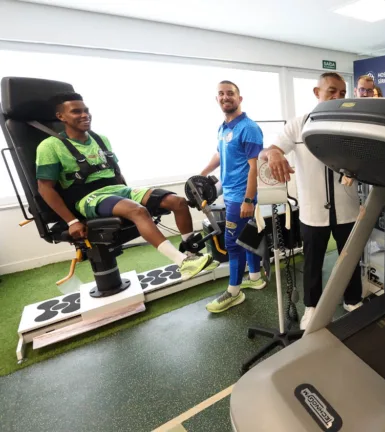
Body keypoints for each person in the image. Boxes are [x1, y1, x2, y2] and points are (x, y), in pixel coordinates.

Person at [35, 93, 214, 280]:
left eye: (86, 110)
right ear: (61, 117)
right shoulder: (50, 146)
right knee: (138, 211)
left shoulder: (100, 139)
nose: (84, 115)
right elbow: (45, 188)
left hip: (118, 190)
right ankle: (183, 262)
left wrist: (127, 195)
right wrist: (72, 221)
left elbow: (116, 172)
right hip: (88, 198)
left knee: (177, 202)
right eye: (76, 112)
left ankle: (192, 254)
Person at [260, 72, 364, 330]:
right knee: (312, 262)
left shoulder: (352, 124)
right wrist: (273, 154)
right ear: (317, 93)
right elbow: (271, 148)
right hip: (312, 211)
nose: (337, 96)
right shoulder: (298, 125)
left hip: (347, 209)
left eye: (342, 92)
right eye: (331, 91)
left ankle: (352, 299)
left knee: (349, 257)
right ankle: (312, 307)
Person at [201, 81, 267, 313]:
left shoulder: (248, 128)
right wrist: (202, 174)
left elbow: (255, 167)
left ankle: (234, 292)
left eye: (230, 93)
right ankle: (256, 277)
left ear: (240, 98)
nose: (225, 97)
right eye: (221, 94)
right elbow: (220, 154)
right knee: (246, 238)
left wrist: (249, 200)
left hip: (241, 196)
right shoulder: (223, 127)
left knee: (232, 243)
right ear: (216, 99)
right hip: (230, 193)